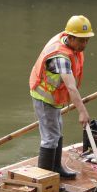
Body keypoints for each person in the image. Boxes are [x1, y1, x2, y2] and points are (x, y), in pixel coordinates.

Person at [29, 15, 93, 179]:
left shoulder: (69, 43)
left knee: (57, 130)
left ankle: (56, 168)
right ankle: (43, 179)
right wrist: (82, 111)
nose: (84, 44)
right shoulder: (61, 58)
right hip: (44, 98)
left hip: (55, 97)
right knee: (50, 138)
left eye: (86, 40)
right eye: (80, 40)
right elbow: (71, 86)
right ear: (70, 37)